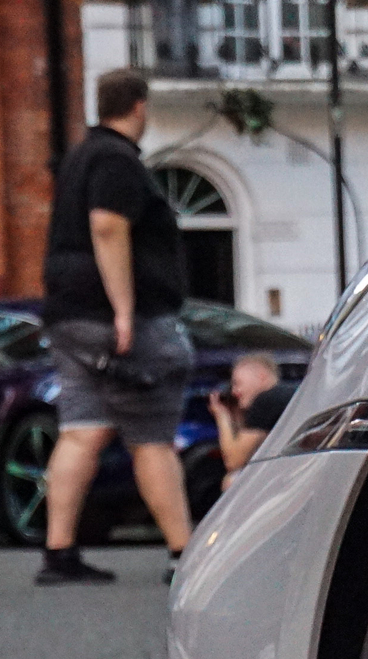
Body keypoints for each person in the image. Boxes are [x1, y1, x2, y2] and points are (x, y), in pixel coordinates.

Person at [35, 68, 194, 586]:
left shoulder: (78, 158)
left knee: (81, 430)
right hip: (122, 321)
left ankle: (58, 552)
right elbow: (108, 226)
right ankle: (184, 555)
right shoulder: (116, 159)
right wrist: (123, 308)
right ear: (139, 107)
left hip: (69, 316)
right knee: (151, 434)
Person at [206, 352, 296, 489]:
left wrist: (222, 416)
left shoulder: (268, 399)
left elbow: (233, 461)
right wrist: (237, 416)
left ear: (261, 376)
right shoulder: (286, 395)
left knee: (233, 479)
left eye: (238, 383)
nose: (235, 392)